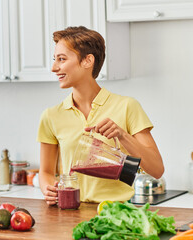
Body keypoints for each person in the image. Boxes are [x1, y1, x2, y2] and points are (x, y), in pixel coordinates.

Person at [37, 26, 164, 205]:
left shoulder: (127, 106)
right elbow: (46, 172)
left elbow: (157, 169)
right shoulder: (51, 116)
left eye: (62, 59)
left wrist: (122, 135)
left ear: (87, 61)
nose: (54, 67)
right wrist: (48, 189)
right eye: (54, 59)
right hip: (70, 214)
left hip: (117, 216)